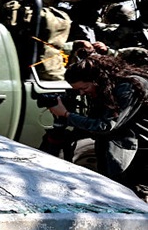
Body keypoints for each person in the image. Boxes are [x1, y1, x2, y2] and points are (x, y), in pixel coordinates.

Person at [48, 53, 148, 199]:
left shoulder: (128, 87)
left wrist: (67, 115)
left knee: (134, 198)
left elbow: (105, 125)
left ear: (97, 80)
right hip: (120, 146)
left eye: (85, 88)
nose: (82, 93)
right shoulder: (106, 89)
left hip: (141, 152)